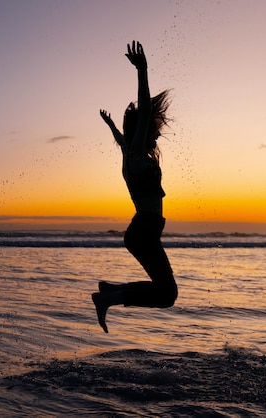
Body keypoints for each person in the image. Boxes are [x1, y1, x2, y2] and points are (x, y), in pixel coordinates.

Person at [92, 41, 177, 333]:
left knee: (164, 289)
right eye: (154, 129)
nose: (157, 134)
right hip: (143, 231)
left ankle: (110, 291)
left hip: (143, 231)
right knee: (167, 294)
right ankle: (109, 298)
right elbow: (143, 113)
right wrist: (143, 70)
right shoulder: (138, 152)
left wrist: (111, 125)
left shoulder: (130, 153)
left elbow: (121, 138)